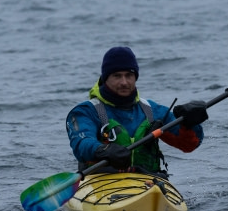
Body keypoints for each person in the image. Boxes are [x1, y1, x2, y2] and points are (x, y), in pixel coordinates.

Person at [66, 46, 208, 177]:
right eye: (117, 76)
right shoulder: (86, 111)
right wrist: (102, 150)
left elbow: (189, 145)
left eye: (129, 75)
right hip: (101, 181)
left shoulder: (150, 110)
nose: (124, 82)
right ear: (105, 78)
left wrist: (190, 123)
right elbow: (81, 144)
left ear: (135, 77)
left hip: (147, 181)